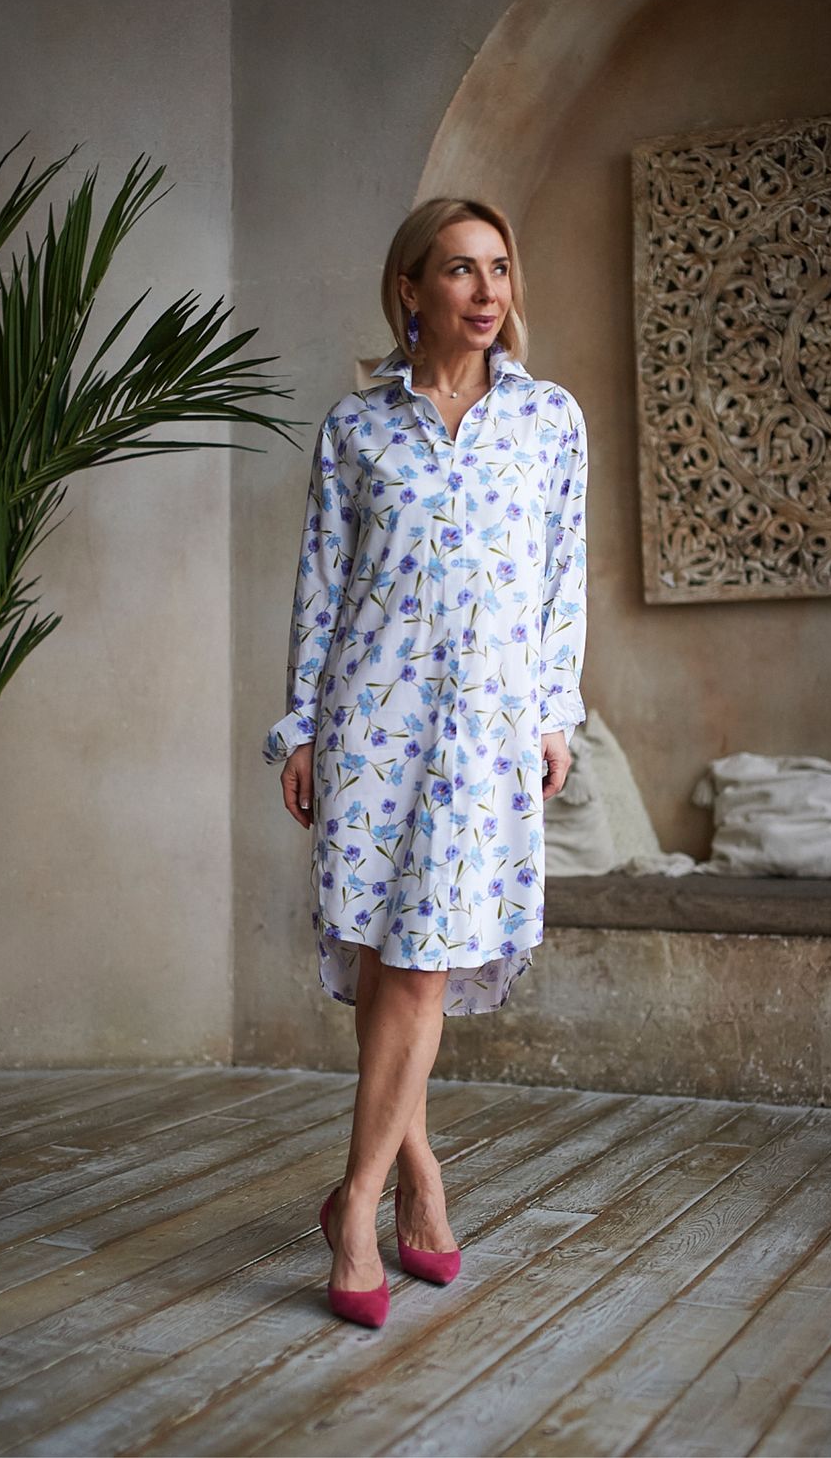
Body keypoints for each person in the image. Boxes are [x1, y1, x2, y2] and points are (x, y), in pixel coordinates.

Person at [262, 196, 588, 1328]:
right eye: (460, 270)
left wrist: (553, 716)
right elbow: (319, 587)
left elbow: (561, 580)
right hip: (370, 725)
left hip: (486, 734)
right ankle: (421, 1178)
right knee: (391, 959)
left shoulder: (548, 420)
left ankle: (355, 1205)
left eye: (499, 267)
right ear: (411, 289)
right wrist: (301, 728)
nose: (488, 291)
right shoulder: (357, 429)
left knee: (422, 967)